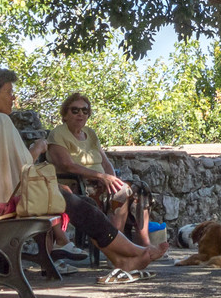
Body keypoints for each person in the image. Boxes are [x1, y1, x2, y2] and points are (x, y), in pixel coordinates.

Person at [0, 68, 167, 276]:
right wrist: (36, 149)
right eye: (9, 92)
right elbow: (22, 166)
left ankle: (120, 259)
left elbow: (10, 167)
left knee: (82, 203)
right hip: (11, 203)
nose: (13, 97)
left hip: (12, 196)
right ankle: (135, 251)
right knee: (80, 205)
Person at [48, 90, 153, 246]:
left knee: (140, 188)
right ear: (65, 114)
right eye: (75, 110)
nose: (80, 114)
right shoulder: (58, 134)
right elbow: (67, 165)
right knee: (122, 192)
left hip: (100, 182)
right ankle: (114, 245)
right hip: (77, 186)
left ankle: (144, 242)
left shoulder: (90, 134)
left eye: (85, 110)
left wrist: (113, 180)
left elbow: (105, 163)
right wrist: (102, 177)